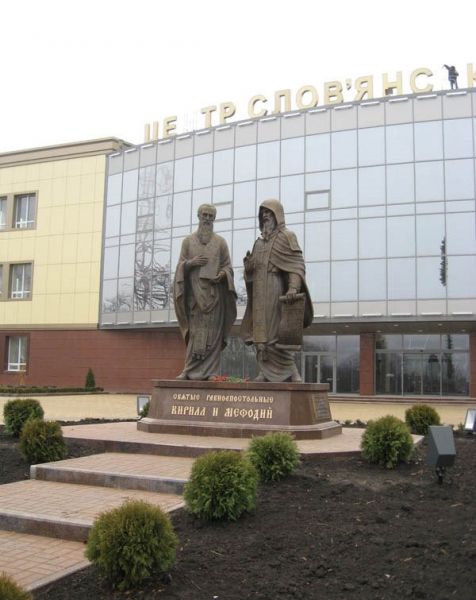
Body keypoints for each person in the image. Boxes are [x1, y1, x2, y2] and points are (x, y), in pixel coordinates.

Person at [241, 199, 313, 382]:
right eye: (263, 213)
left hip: (275, 288)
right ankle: (265, 372)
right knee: (260, 333)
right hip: (258, 290)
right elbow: (251, 272)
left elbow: (297, 265)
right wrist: (248, 269)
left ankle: (291, 371)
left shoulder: (287, 236)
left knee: (275, 333)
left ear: (277, 215)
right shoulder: (258, 243)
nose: (265, 215)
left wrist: (293, 287)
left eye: (269, 212)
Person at [173, 204, 236, 380]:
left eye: (210, 216)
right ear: (198, 216)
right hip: (195, 296)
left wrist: (222, 275)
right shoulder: (188, 241)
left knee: (213, 336)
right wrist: (190, 263)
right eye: (204, 215)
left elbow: (228, 267)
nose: (207, 218)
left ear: (214, 219)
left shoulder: (220, 242)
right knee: (195, 334)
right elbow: (180, 267)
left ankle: (211, 372)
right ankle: (189, 370)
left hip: (214, 296)